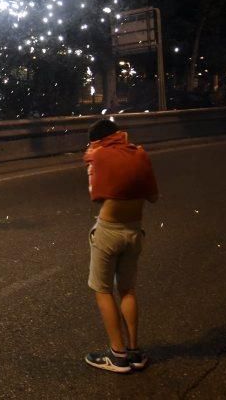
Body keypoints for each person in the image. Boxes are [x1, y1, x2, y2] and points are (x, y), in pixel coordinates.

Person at [82, 118, 158, 373]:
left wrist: (92, 160)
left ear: (96, 140)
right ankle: (135, 352)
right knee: (128, 290)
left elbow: (97, 195)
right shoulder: (139, 153)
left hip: (108, 231)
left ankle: (117, 355)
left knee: (103, 290)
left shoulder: (98, 156)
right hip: (134, 230)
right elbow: (153, 196)